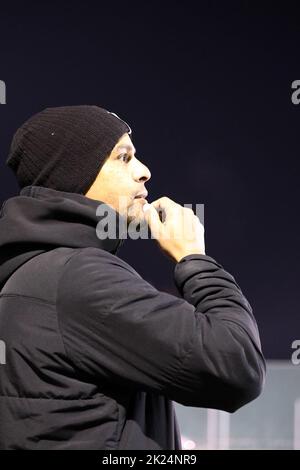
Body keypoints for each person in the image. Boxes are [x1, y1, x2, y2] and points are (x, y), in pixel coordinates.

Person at [0, 105, 265, 450]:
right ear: (74, 174)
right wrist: (194, 259)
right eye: (123, 158)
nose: (144, 172)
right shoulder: (78, 278)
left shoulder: (33, 273)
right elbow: (236, 365)